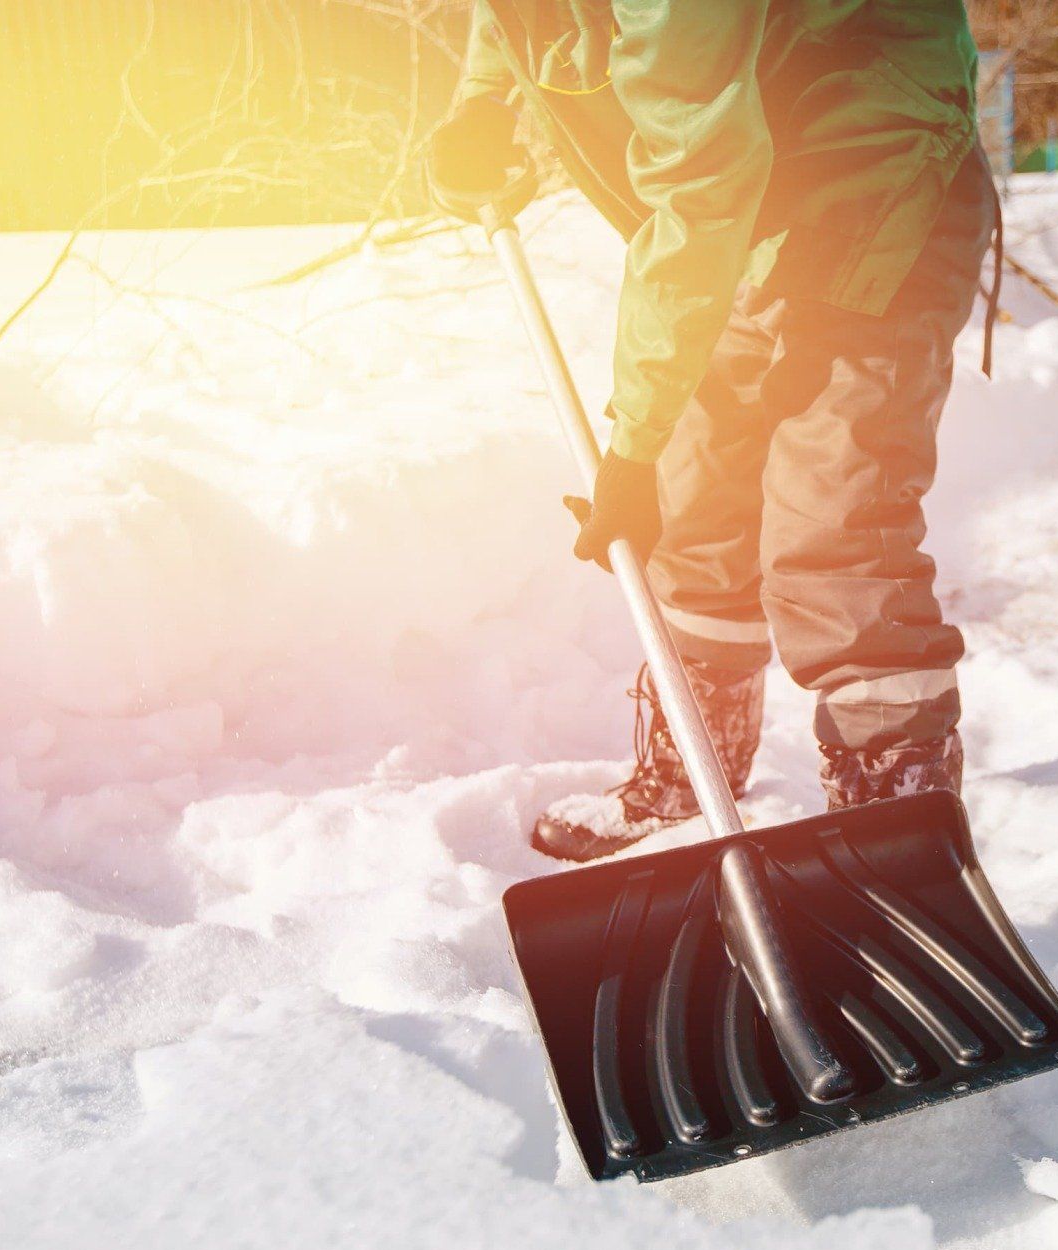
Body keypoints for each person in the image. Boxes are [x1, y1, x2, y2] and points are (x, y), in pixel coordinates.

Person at [424, 1, 998, 861]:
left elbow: (700, 184)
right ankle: (691, 777)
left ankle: (897, 830)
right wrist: (481, 101)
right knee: (697, 506)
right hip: (758, 200)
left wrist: (633, 443)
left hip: (879, 178)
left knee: (834, 525)